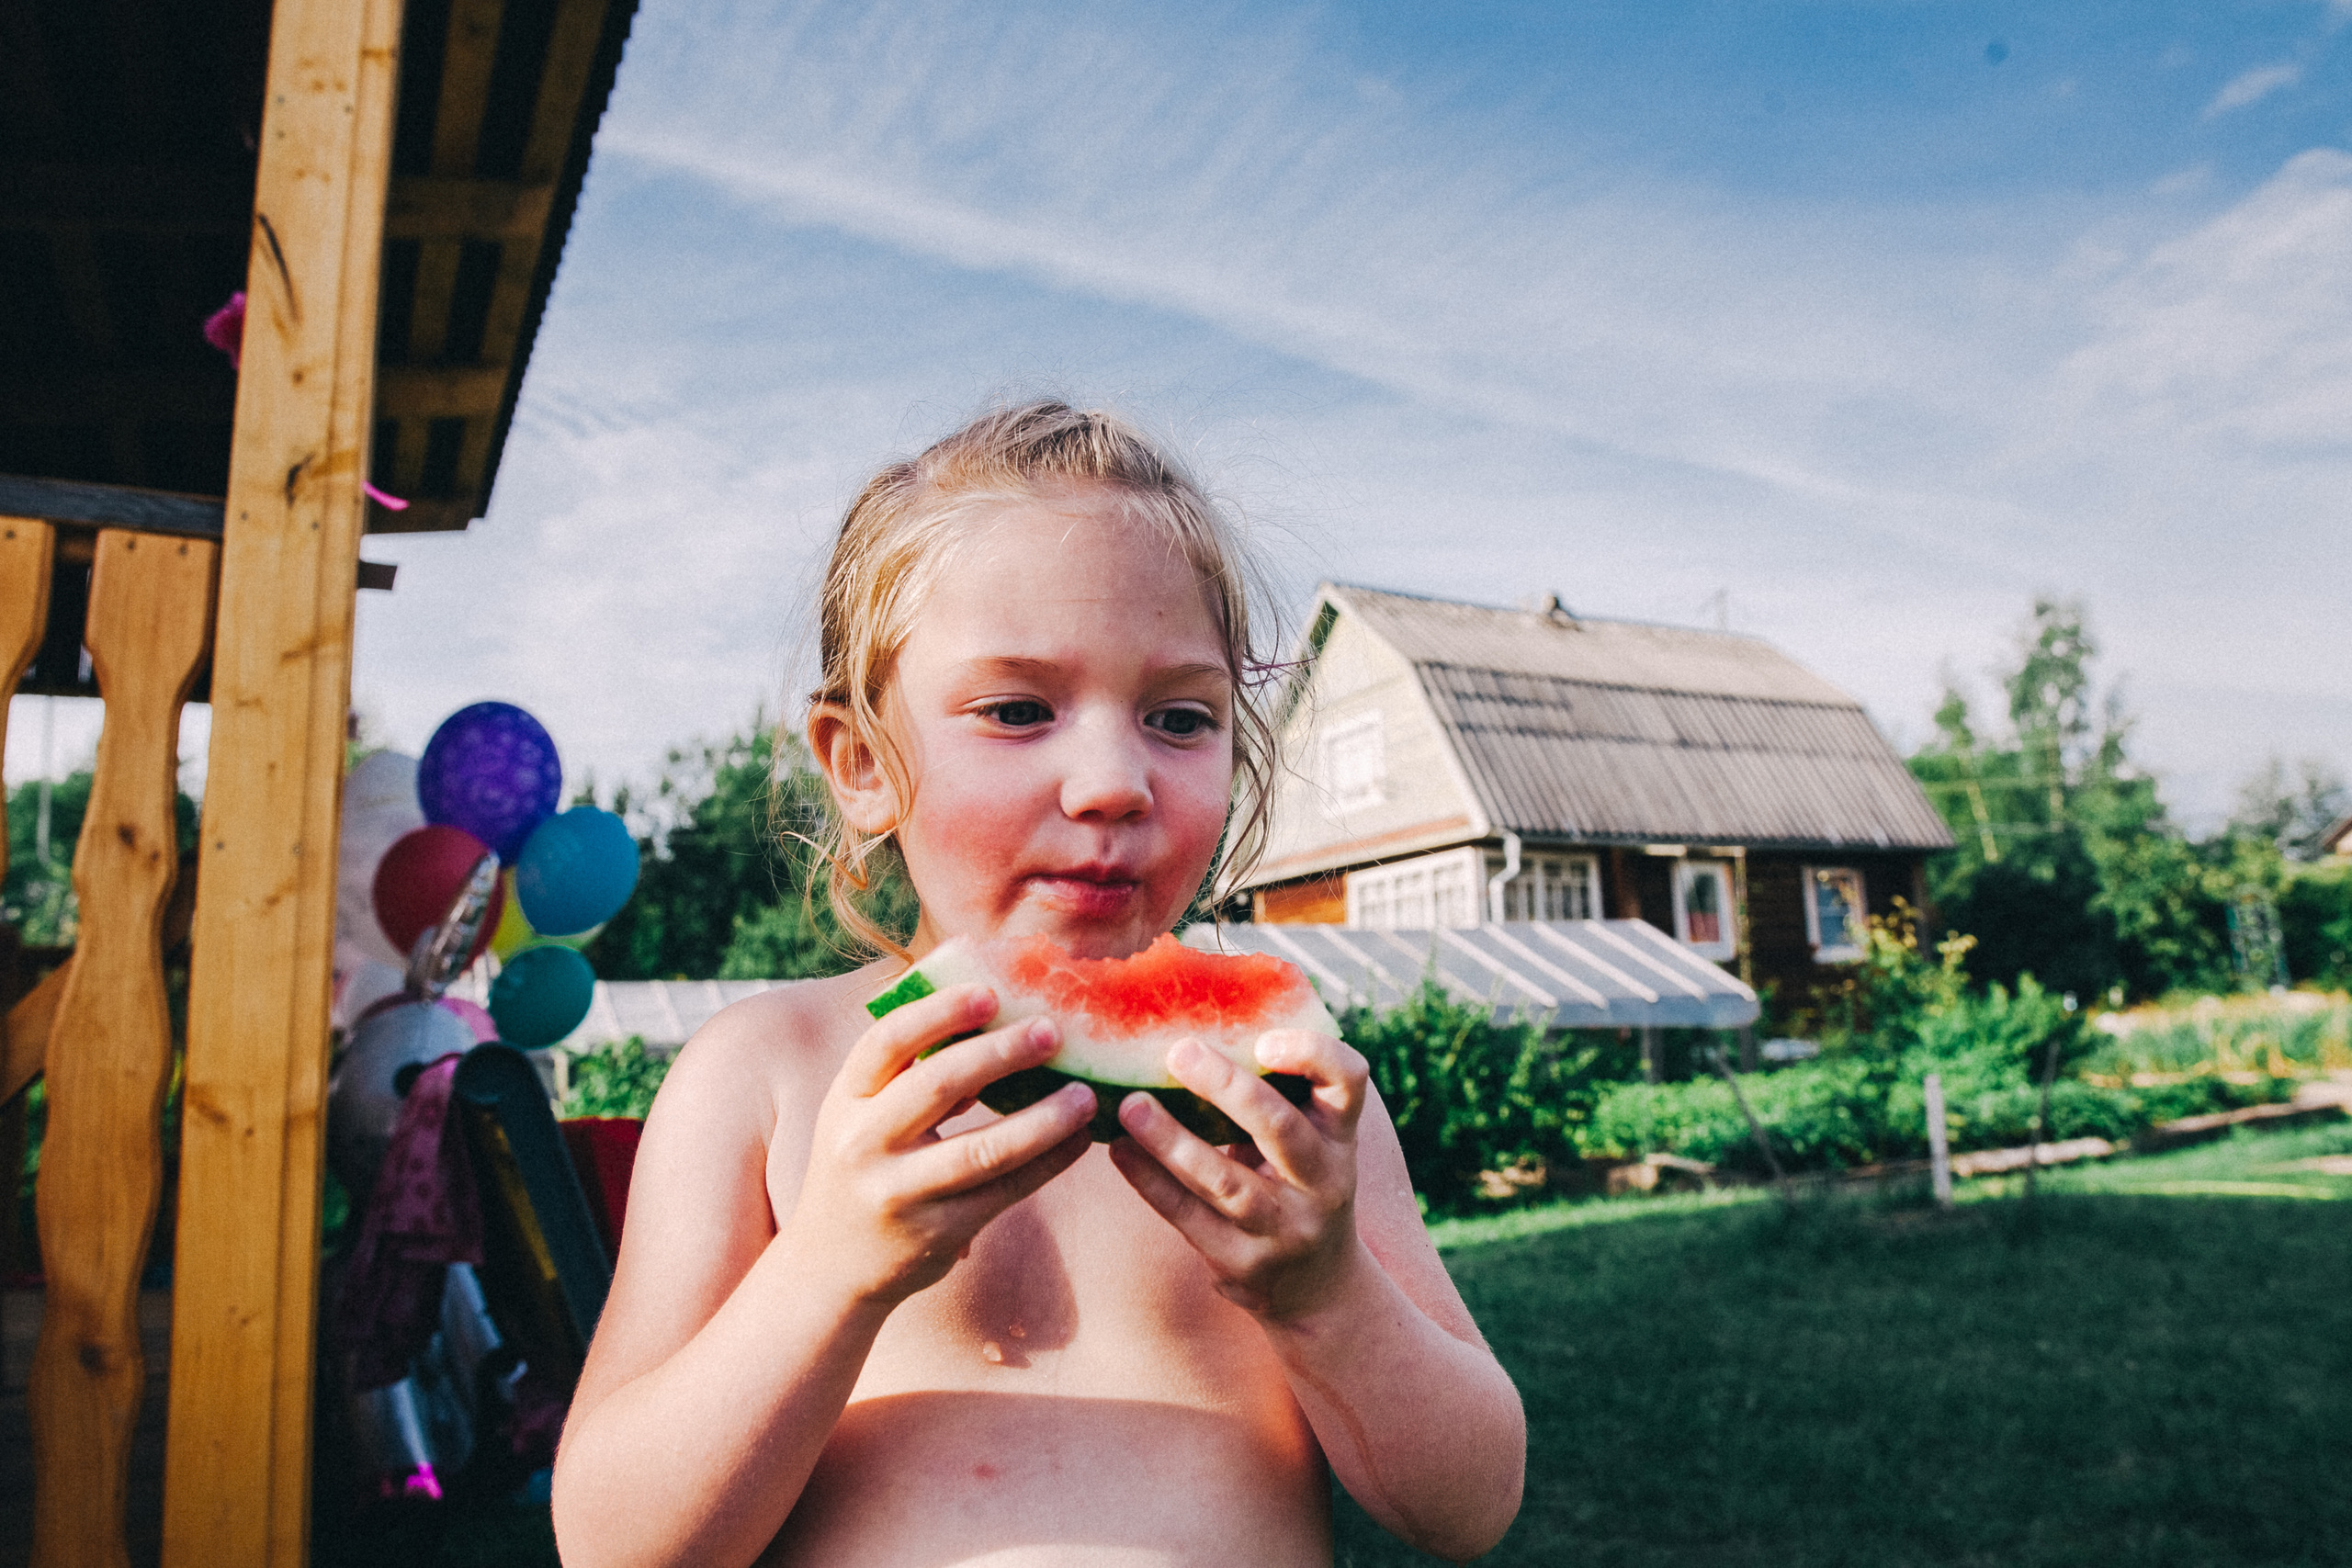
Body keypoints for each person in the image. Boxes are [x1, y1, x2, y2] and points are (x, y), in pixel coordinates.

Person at [550, 401, 1526, 1566]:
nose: (1113, 781)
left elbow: (1467, 1510)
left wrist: (1327, 1294)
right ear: (861, 766)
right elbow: (613, 1544)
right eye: (1017, 710)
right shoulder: (760, 1076)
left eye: (1179, 717)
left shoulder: (1285, 1105)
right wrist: (828, 1272)